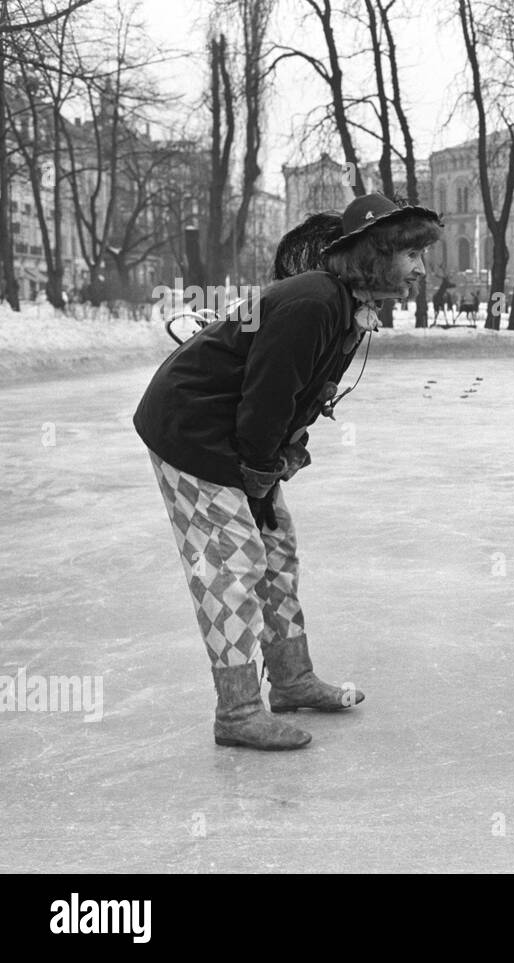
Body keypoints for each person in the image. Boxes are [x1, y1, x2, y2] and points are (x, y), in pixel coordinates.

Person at [134, 194, 442, 751]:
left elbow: (298, 397)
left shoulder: (345, 306)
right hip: (191, 430)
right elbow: (268, 397)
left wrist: (280, 456)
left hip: (236, 435)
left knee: (277, 549)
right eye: (412, 254)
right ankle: (238, 712)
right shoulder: (314, 302)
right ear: (375, 253)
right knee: (234, 563)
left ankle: (292, 679)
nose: (422, 268)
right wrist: (258, 468)